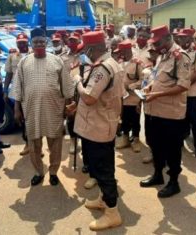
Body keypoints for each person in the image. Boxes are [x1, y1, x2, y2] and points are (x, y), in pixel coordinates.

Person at [73, 31, 124, 231]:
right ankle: (104, 199)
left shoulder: (102, 69)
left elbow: (89, 98)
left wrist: (77, 80)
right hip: (100, 125)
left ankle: (112, 213)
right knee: (100, 166)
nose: (85, 53)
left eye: (86, 50)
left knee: (103, 171)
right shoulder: (111, 63)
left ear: (92, 49)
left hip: (98, 128)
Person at [13, 28, 74, 186]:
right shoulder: (23, 62)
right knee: (34, 144)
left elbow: (66, 86)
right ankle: (39, 172)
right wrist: (16, 109)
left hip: (54, 110)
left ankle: (53, 172)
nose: (39, 44)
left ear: (46, 42)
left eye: (41, 41)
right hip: (32, 111)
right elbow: (18, 88)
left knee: (55, 143)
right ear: (31, 44)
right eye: (36, 42)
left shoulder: (56, 60)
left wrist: (69, 107)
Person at [139, 25, 191, 198]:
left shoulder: (180, 57)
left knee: (172, 149)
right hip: (155, 110)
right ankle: (157, 174)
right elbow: (159, 78)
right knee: (155, 144)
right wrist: (150, 89)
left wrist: (158, 94)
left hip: (171, 114)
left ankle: (174, 182)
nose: (156, 45)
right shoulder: (162, 56)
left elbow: (183, 85)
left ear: (168, 38)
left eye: (158, 41)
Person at [177, 28, 196, 158]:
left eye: (183, 37)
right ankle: (181, 142)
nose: (180, 39)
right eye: (179, 37)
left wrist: (186, 84)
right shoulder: (178, 52)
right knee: (182, 121)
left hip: (193, 94)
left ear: (189, 39)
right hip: (181, 94)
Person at [4, 33, 31, 156]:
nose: (22, 44)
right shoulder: (12, 57)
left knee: (35, 118)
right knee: (23, 119)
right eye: (20, 42)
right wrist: (5, 90)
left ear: (27, 42)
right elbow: (9, 74)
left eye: (24, 42)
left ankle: (37, 147)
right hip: (18, 92)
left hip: (32, 91)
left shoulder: (34, 54)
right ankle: (27, 144)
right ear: (17, 44)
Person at [115, 40, 143, 153]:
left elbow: (143, 80)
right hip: (122, 98)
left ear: (127, 50)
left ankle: (136, 139)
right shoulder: (119, 62)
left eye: (122, 51)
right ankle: (125, 138)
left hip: (134, 98)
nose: (120, 54)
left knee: (135, 120)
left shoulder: (137, 63)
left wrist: (131, 86)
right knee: (124, 119)